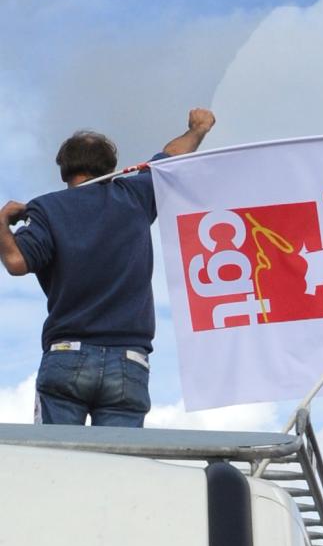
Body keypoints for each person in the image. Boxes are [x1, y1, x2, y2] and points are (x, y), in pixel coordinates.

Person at [0, 109, 215, 426]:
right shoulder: (136, 195)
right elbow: (171, 156)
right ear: (111, 169)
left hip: (66, 355)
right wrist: (198, 129)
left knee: (53, 466)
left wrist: (2, 222)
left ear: (64, 171)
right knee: (118, 471)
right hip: (129, 363)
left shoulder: (46, 209)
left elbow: (16, 262)